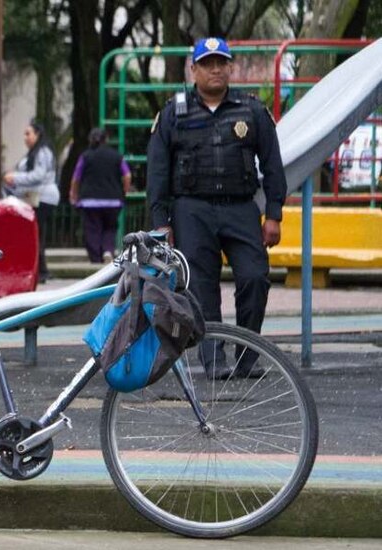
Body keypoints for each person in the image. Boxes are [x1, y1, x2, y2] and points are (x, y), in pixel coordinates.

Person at [146, 37, 287, 380]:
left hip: (240, 209)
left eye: (221, 63)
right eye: (207, 63)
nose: (215, 69)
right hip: (191, 210)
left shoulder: (252, 110)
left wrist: (274, 214)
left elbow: (272, 165)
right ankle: (214, 361)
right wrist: (161, 221)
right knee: (201, 286)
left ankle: (247, 357)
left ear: (231, 68)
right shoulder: (173, 112)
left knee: (255, 277)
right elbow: (157, 171)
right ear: (193, 70)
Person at [4, 122, 60, 282]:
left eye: (28, 133)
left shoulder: (42, 152)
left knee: (35, 234)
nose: (25, 138)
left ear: (37, 134)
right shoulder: (35, 152)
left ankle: (39, 270)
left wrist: (15, 178)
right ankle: (40, 270)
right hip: (37, 198)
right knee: (36, 233)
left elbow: (38, 175)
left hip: (42, 198)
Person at [69, 127, 132, 263]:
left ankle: (96, 257)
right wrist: (124, 191)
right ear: (106, 139)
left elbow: (76, 178)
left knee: (92, 229)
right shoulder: (116, 155)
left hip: (90, 200)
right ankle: (108, 250)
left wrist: (73, 194)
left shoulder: (85, 156)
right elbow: (127, 175)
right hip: (113, 200)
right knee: (110, 227)